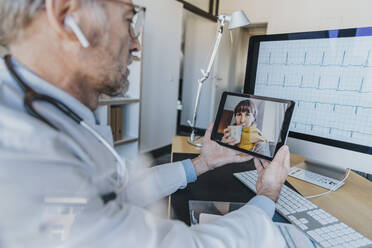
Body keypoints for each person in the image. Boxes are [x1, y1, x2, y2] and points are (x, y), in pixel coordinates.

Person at [0, 0, 290, 247]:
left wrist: (202, 163)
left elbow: (119, 186)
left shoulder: (47, 111)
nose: (137, 43)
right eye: (128, 20)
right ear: (67, 15)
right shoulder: (24, 158)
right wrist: (266, 196)